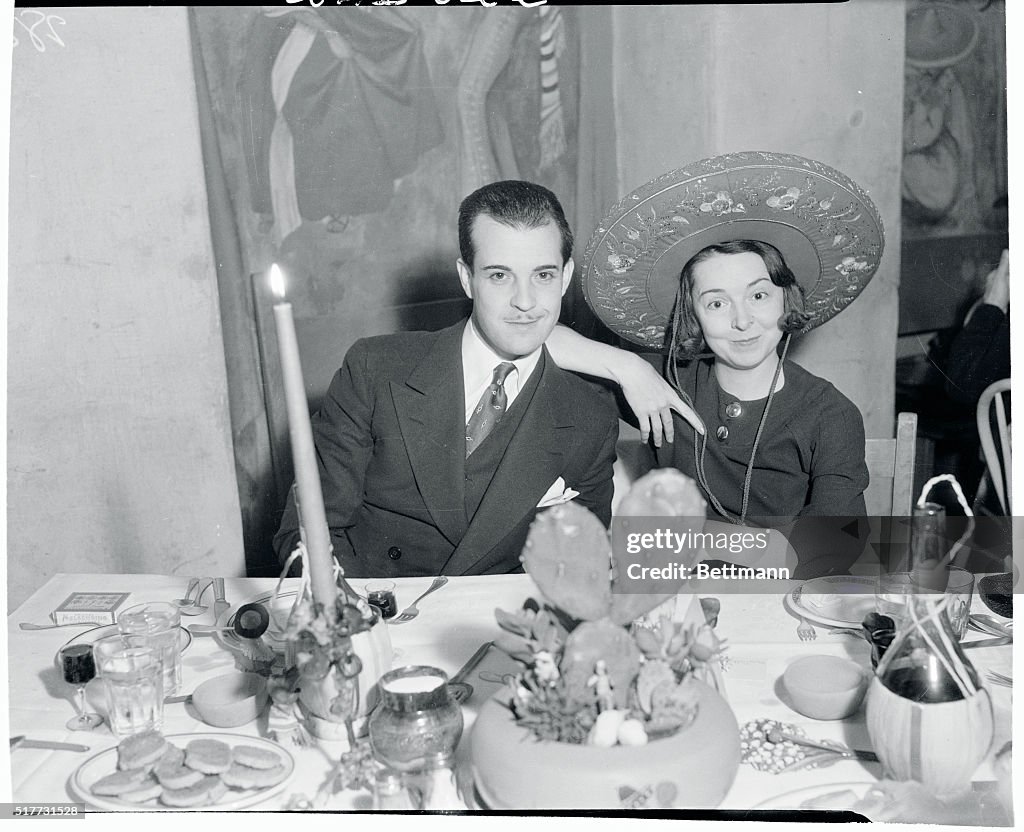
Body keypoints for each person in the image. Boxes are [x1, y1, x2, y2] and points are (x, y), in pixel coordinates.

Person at [547, 152, 885, 578]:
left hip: (784, 608)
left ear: (787, 298)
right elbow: (535, 338)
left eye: (758, 296)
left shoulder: (831, 414)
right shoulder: (668, 386)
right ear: (693, 314)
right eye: (717, 303)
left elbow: (833, 551)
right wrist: (628, 368)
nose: (742, 320)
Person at [272, 180, 619, 577]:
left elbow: (576, 573)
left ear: (566, 276)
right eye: (499, 276)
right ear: (466, 278)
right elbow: (308, 535)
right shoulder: (376, 370)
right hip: (373, 617)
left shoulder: (590, 417)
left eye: (542, 275)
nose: (525, 301)